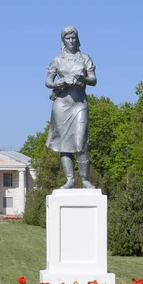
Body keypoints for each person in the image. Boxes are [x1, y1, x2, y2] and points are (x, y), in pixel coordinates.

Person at [45, 26, 97, 189]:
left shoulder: (85, 58)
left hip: (79, 104)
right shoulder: (57, 60)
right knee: (64, 144)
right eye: (68, 38)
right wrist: (56, 83)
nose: (71, 41)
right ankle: (70, 180)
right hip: (61, 104)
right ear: (63, 40)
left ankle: (85, 179)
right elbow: (48, 81)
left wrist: (83, 78)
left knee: (80, 142)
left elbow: (93, 80)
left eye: (74, 37)